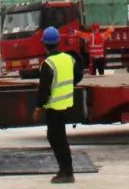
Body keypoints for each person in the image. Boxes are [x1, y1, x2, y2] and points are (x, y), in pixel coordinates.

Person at [32, 26, 81, 184]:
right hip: (66, 103)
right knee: (59, 138)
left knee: (57, 139)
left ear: (44, 44)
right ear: (58, 42)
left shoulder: (48, 64)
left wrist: (38, 107)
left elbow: (44, 89)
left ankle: (67, 173)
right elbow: (78, 75)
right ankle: (65, 170)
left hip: (54, 107)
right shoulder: (68, 58)